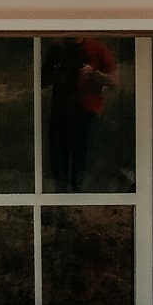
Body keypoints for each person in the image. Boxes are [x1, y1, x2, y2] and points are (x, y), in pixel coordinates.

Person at [44, 37, 117, 192]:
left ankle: (80, 198)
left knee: (82, 163)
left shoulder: (97, 48)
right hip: (60, 113)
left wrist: (95, 73)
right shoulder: (56, 48)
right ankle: (61, 200)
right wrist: (56, 71)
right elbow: (42, 80)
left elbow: (114, 82)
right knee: (59, 164)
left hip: (87, 113)